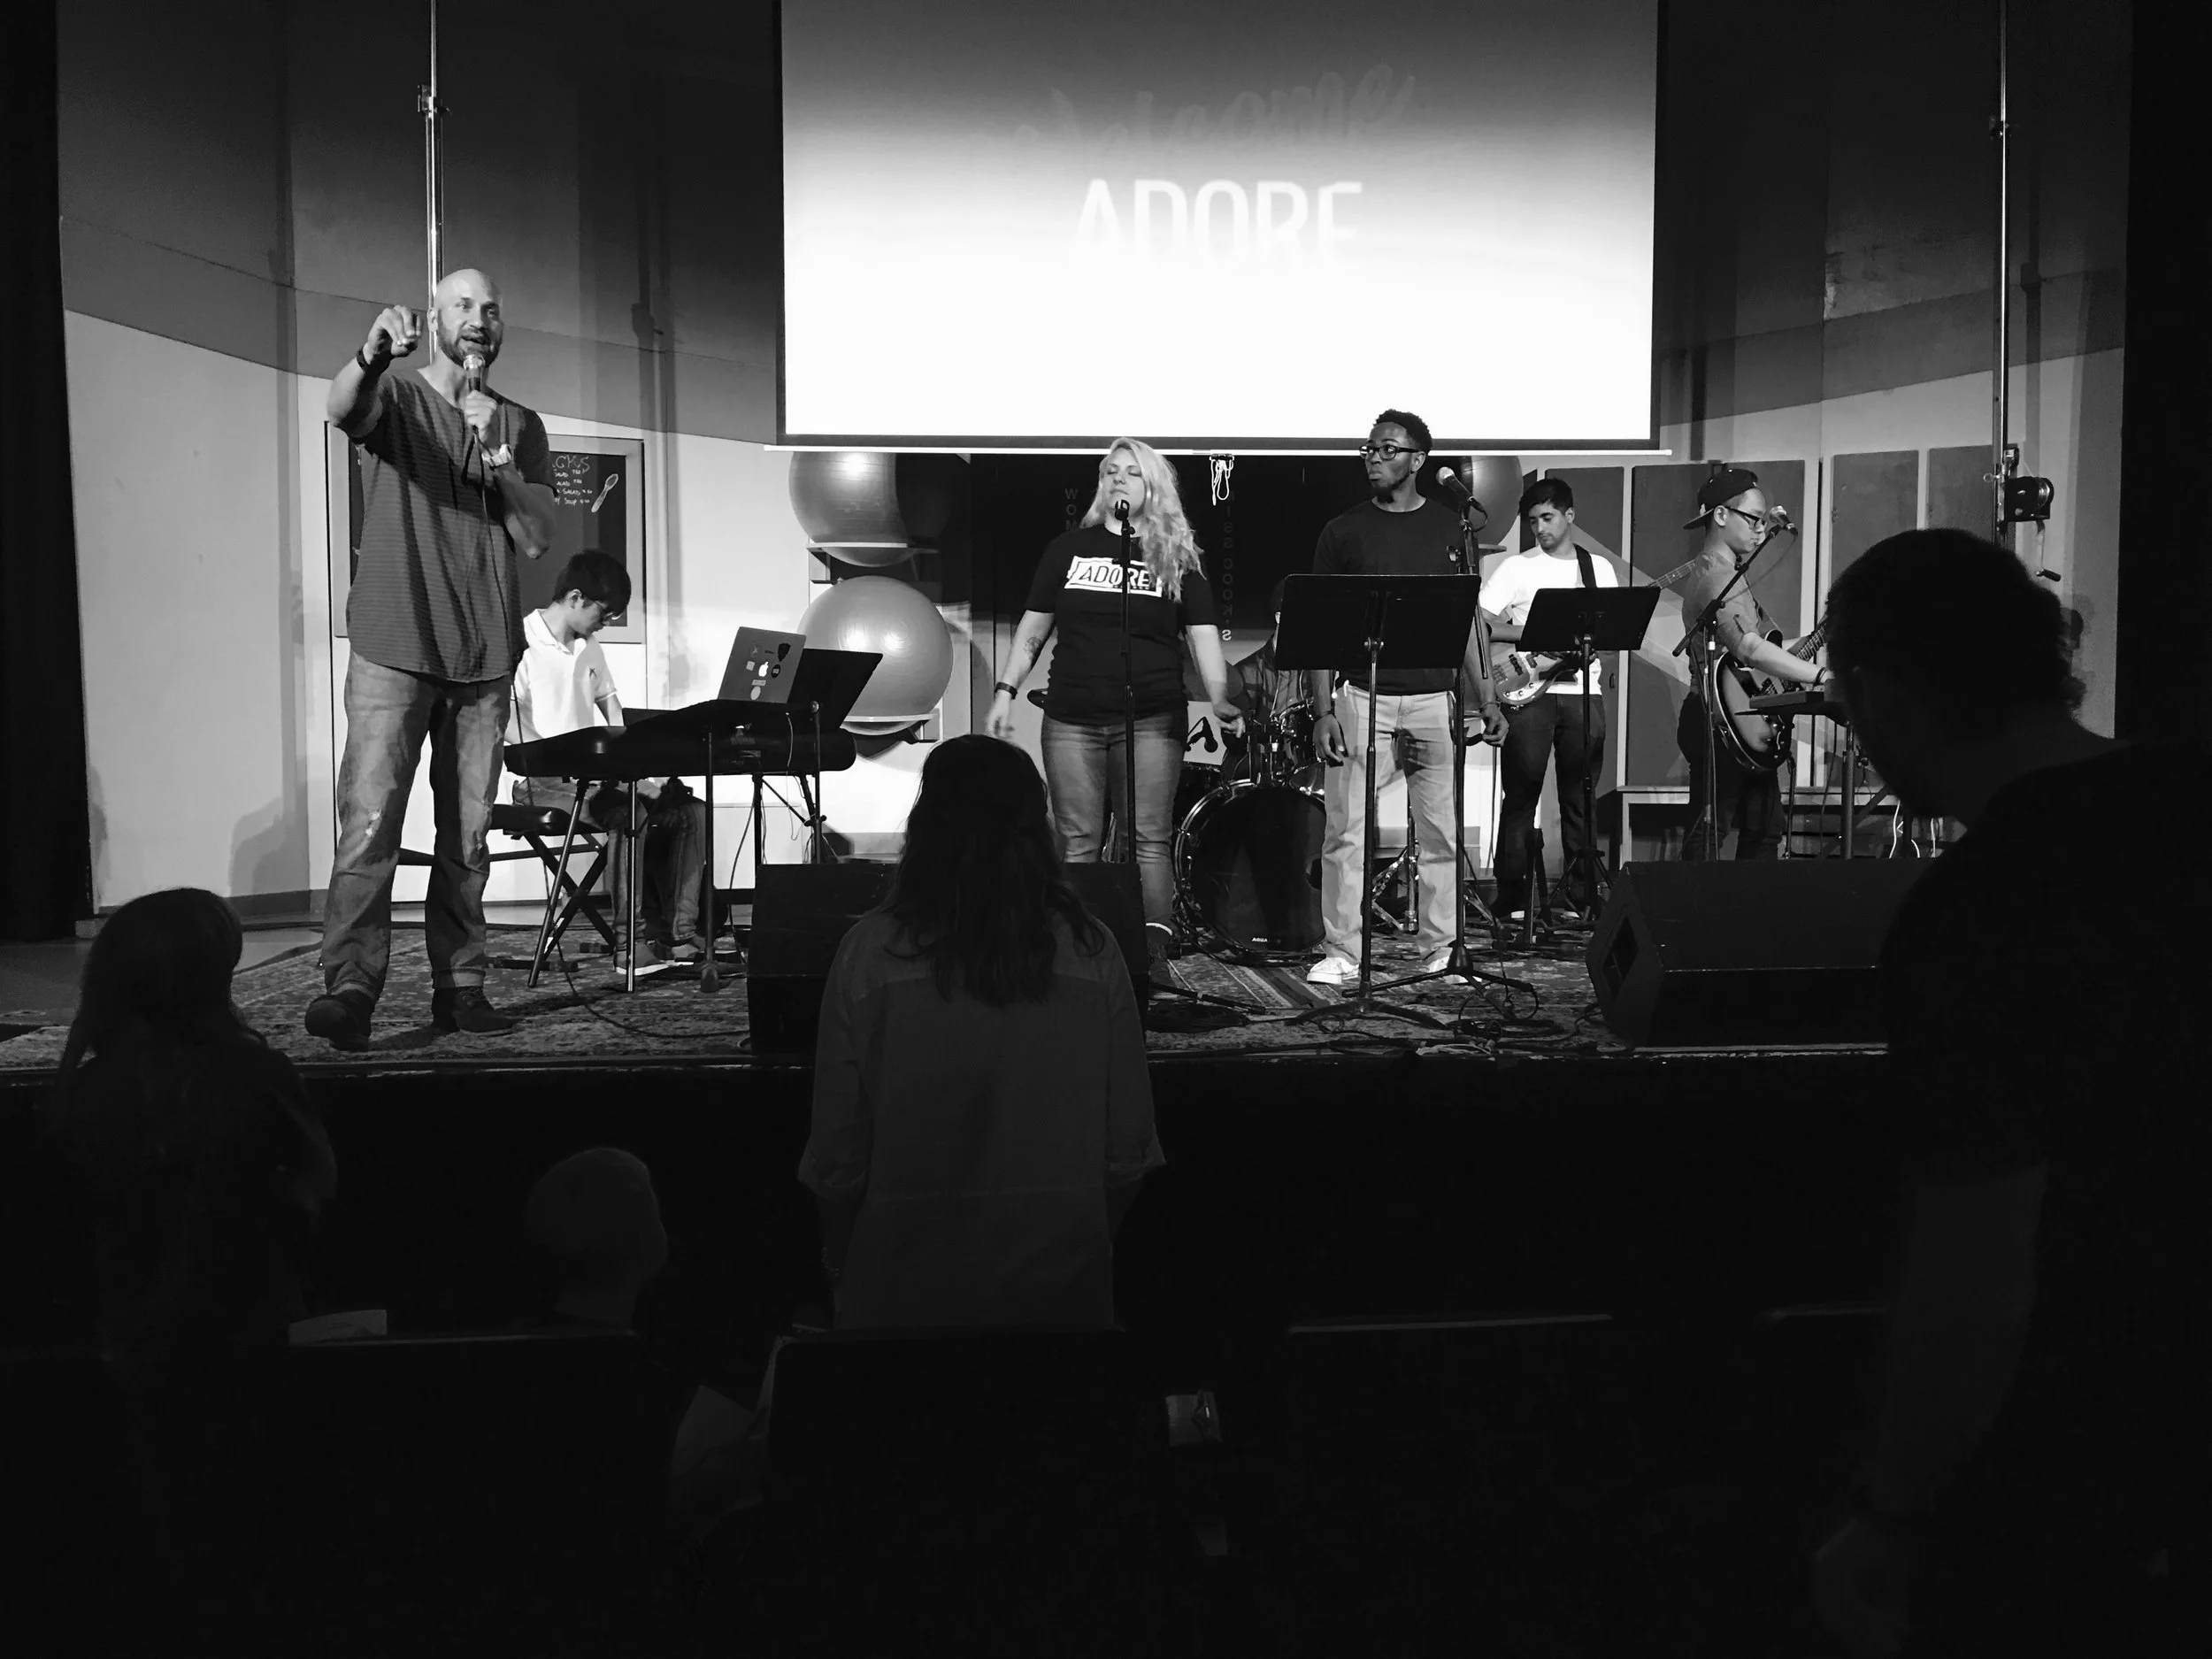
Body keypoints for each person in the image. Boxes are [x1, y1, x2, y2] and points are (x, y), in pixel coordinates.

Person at [1808, 530, 2208, 1657]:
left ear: (1886, 688)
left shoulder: (1976, 913)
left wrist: (1892, 1512)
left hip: (2094, 1447)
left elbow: (1976, 1268)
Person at [798, 734, 1164, 1331]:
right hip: (1061, 1309)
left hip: (900, 1309)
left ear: (926, 826)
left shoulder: (869, 953)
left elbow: (837, 1164)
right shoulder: (1094, 951)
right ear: (1036, 829)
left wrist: (841, 1268)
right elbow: (1126, 1156)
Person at [42, 888, 334, 1628]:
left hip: (125, 1350)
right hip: (250, 1349)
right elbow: (315, 1189)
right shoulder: (253, 1077)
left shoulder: (83, 1093)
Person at [307, 268, 557, 1049]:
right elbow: (341, 406)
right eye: (462, 307)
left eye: (490, 308)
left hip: (483, 654)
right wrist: (371, 354)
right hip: (395, 642)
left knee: (469, 835)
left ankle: (462, 984)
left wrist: (499, 457)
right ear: (433, 319)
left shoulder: (519, 420)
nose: (478, 319)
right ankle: (352, 986)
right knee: (371, 822)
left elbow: (538, 536)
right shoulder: (401, 398)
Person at [986, 439, 1241, 957]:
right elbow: (1034, 629)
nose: (1118, 480)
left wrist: (1218, 698)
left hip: (1150, 715)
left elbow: (1203, 637)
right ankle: (1080, 947)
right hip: (1072, 715)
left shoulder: (1177, 559)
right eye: (1110, 472)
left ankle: (1150, 952)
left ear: (1153, 487)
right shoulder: (1068, 550)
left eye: (1131, 472)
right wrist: (1004, 691)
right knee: (1079, 839)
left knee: (1147, 838)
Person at [1305, 411, 1508, 987]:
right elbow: (1324, 628)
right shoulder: (1342, 532)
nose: (1374, 457)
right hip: (1362, 696)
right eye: (1370, 448)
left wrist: (1487, 697)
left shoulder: (1451, 528)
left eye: (1388, 449)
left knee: (1441, 831)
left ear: (1418, 459)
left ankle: (1442, 948)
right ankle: (1344, 951)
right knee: (1346, 831)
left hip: (1433, 700)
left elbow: (1468, 620)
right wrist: (1323, 711)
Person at [510, 551, 709, 971]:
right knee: (628, 812)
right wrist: (564, 757)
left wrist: (638, 770)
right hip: (543, 781)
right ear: (577, 598)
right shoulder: (521, 640)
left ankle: (678, 936)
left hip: (597, 778)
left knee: (689, 811)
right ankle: (629, 946)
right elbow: (506, 723)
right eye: (606, 611)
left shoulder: (589, 645)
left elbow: (612, 709)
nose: (608, 621)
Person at [1480, 477, 1619, 918]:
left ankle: (1583, 895)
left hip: (1584, 694)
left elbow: (1612, 637)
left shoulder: (1598, 569)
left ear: (1569, 516)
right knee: (1520, 796)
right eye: (1533, 521)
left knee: (1580, 798)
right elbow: (1479, 625)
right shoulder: (1517, 568)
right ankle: (1512, 895)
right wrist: (1536, 634)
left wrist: (1588, 639)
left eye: (1548, 517)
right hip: (1528, 694)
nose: (1539, 528)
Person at [1671, 466, 1824, 860]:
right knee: (1716, 832)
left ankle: (1742, 917)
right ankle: (1697, 917)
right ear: (1721, 516)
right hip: (1717, 720)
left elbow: (1760, 649)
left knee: (1763, 829)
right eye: (1754, 519)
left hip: (1739, 718)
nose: (1761, 530)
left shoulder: (1727, 575)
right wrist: (1820, 676)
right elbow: (1750, 649)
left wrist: (1821, 636)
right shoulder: (1717, 576)